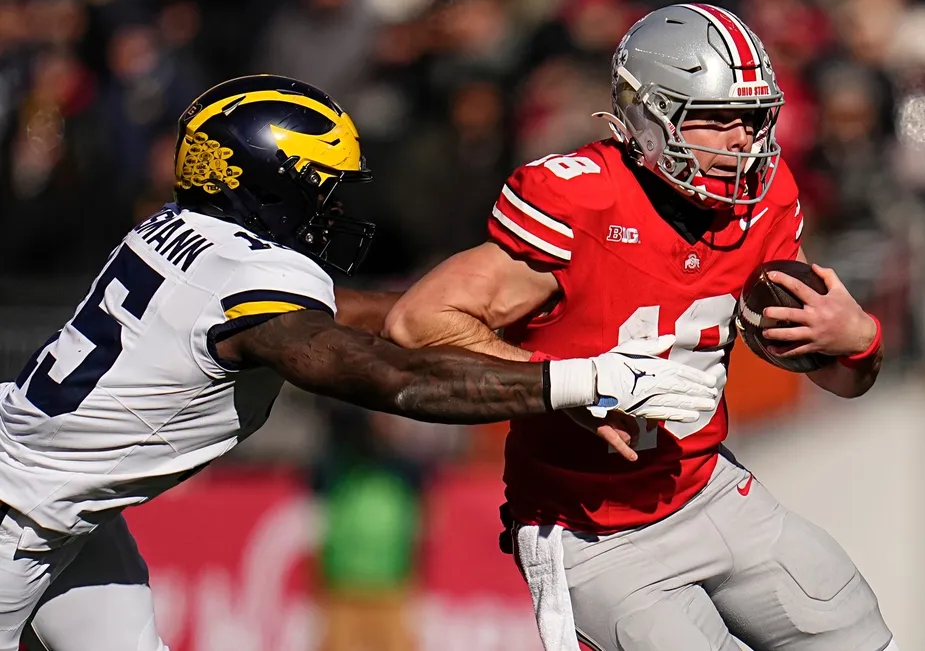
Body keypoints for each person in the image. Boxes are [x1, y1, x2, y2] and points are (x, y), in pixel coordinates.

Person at [0, 74, 722, 651]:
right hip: (18, 516)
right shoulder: (249, 289)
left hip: (64, 510)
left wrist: (501, 332)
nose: (331, 207)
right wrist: (581, 380)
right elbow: (393, 378)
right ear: (269, 182)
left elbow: (369, 319)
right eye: (321, 187)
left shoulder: (185, 235)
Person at [384, 5, 897, 651]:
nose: (744, 140)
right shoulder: (580, 200)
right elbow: (419, 320)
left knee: (856, 631)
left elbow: (847, 382)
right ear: (648, 115)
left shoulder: (766, 199)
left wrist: (859, 341)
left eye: (753, 117)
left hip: (707, 487)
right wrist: (570, 385)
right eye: (715, 118)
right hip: (589, 530)